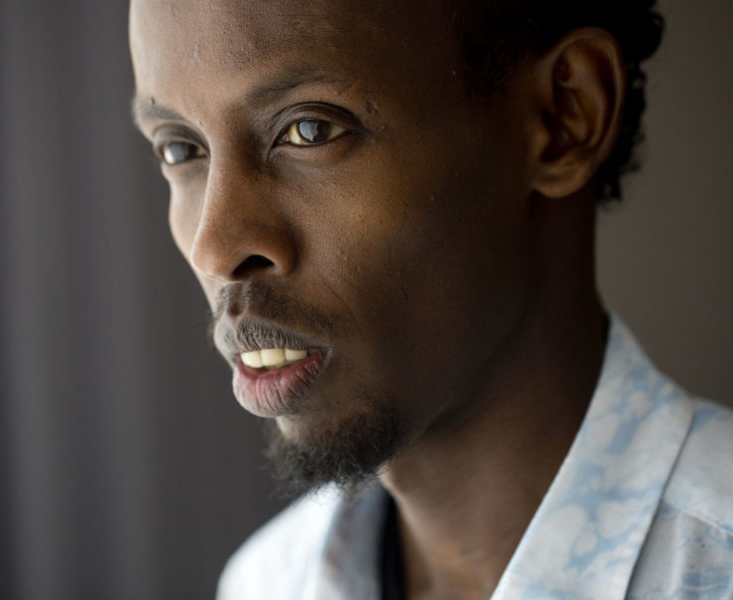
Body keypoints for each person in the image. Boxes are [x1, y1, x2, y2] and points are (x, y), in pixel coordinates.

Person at [129, 0, 733, 598]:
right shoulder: (267, 583)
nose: (215, 248)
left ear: (563, 116)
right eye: (181, 149)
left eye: (310, 130)